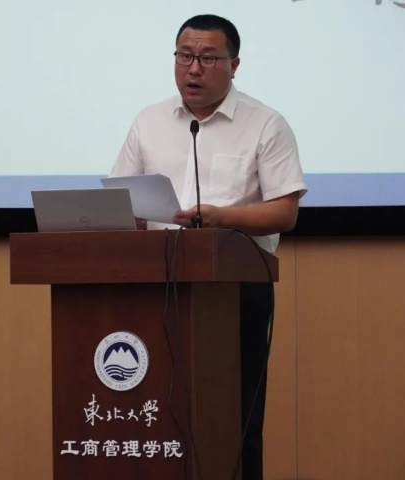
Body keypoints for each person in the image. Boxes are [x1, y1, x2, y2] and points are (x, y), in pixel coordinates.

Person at [109, 14, 308, 480]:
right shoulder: (148, 121)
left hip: (235, 289)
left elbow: (285, 212)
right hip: (153, 287)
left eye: (207, 58)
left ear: (234, 65)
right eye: (185, 56)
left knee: (234, 418)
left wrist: (221, 216)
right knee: (153, 408)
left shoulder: (265, 124)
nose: (193, 68)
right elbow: (120, 198)